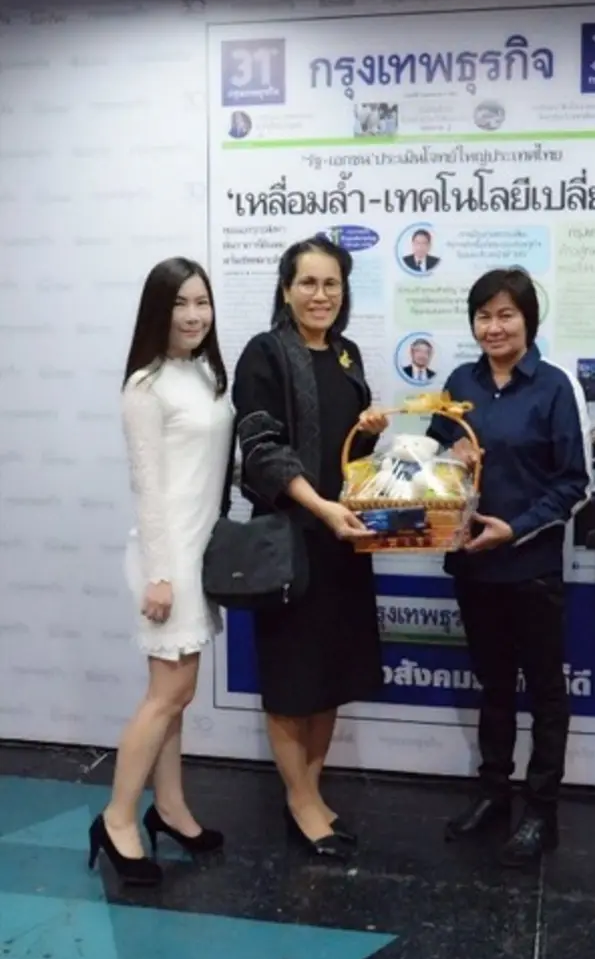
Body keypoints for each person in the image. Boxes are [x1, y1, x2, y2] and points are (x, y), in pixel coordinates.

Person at [232, 235, 387, 862]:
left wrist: (370, 434)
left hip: (342, 544)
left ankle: (312, 792)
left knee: (332, 675)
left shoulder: (348, 355)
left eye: (331, 284)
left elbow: (347, 458)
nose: (320, 295)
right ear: (286, 289)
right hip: (291, 540)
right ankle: (298, 801)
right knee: (292, 679)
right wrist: (321, 508)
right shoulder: (265, 353)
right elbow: (261, 450)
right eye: (308, 283)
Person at [428, 268, 591, 865]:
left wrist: (515, 529)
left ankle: (541, 810)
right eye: (483, 316)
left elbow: (575, 484)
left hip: (532, 567)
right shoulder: (459, 382)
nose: (493, 327)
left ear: (529, 321)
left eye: (506, 316)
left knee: (545, 691)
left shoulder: (554, 386)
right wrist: (448, 457)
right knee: (492, 686)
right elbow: (433, 464)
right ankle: (493, 793)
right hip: (473, 565)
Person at [89, 259, 233, 886]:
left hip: (198, 555)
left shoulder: (203, 372)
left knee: (178, 697)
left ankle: (169, 809)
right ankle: (118, 819)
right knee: (166, 695)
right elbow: (146, 488)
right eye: (180, 304)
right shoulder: (145, 386)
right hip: (166, 561)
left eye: (202, 301)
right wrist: (159, 574)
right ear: (158, 311)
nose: (194, 315)